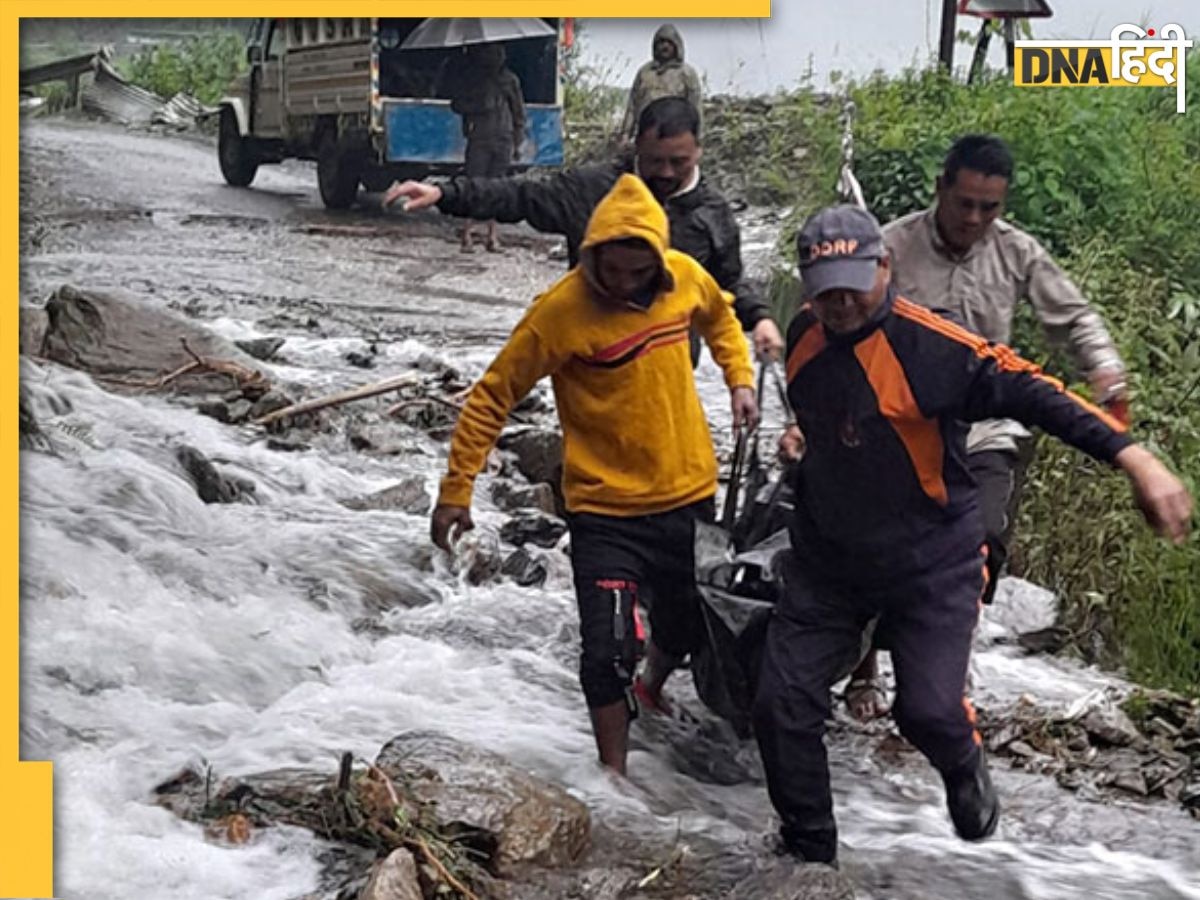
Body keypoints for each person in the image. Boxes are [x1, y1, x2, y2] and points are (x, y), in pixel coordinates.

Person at [756, 204, 1191, 866]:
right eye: (825, 290)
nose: (840, 303)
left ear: (884, 267)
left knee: (926, 713)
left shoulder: (932, 347)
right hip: (829, 557)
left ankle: (964, 762)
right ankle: (810, 856)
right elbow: (833, 417)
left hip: (930, 558)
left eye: (853, 283)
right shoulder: (806, 336)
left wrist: (1134, 458)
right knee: (780, 704)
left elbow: (1037, 393)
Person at [431, 174, 759, 775]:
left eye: (639, 274)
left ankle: (653, 687)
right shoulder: (559, 313)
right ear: (592, 255)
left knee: (686, 624)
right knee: (606, 651)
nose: (625, 285)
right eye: (614, 271)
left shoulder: (685, 276)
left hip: (687, 496)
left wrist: (738, 380)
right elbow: (491, 398)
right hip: (605, 511)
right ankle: (616, 778)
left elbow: (720, 317)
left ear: (657, 261)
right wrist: (457, 490)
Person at [842, 133, 1132, 720]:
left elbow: (1072, 317)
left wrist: (1105, 371)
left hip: (984, 424)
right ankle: (865, 665)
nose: (974, 218)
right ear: (940, 189)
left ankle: (938, 670)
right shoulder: (890, 247)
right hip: (901, 421)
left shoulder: (1015, 251)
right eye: (965, 203)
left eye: (988, 207)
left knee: (984, 537)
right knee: (875, 544)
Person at [384, 97, 785, 362]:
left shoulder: (712, 214)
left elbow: (729, 284)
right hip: (590, 358)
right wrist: (444, 192)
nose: (665, 172)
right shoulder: (591, 191)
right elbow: (520, 196)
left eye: (677, 162)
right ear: (636, 148)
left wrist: (761, 320)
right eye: (654, 161)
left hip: (670, 365)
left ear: (698, 150)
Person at [448, 43, 526, 253]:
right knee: (474, 186)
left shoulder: (510, 80)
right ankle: (467, 235)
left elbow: (519, 113)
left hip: (503, 139)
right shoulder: (474, 80)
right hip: (480, 140)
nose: (496, 58)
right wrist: (479, 107)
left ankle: (492, 237)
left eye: (500, 54)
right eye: (492, 54)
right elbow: (456, 104)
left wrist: (518, 143)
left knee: (497, 187)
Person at [620, 24, 703, 141]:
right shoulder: (645, 73)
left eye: (669, 43)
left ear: (676, 45)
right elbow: (633, 105)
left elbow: (695, 107)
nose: (664, 46)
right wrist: (625, 134)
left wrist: (696, 138)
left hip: (675, 135)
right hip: (646, 134)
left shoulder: (687, 73)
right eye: (661, 42)